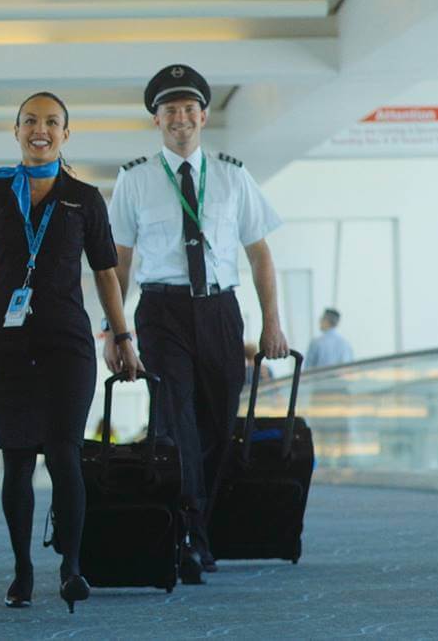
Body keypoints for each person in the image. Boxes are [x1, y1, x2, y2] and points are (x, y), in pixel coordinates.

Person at [0, 92, 141, 614]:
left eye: (52, 122)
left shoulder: (84, 197)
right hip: (6, 345)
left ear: (66, 134)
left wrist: (121, 338)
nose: (41, 129)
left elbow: (106, 274)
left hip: (67, 345)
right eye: (31, 121)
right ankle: (22, 571)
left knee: (64, 455)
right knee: (15, 461)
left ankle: (72, 567)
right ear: (15, 131)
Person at [105, 64, 289, 583]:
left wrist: (272, 324)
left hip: (220, 312)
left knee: (216, 424)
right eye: (170, 111)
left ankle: (197, 529)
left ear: (204, 116)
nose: (180, 119)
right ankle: (187, 538)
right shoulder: (135, 178)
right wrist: (113, 331)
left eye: (189, 110)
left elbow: (261, 256)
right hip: (161, 312)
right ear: (156, 120)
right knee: (176, 421)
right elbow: (118, 264)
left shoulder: (233, 175)